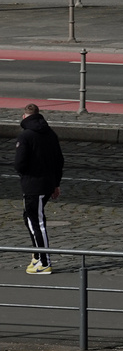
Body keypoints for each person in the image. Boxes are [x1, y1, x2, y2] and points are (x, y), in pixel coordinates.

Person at [14, 103, 64, 275]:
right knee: (29, 217)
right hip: (48, 184)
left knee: (36, 222)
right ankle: (37, 255)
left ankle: (44, 261)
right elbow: (59, 161)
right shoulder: (51, 134)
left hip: (32, 185)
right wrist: (56, 184)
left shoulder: (25, 136)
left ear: (24, 117)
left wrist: (24, 174)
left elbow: (19, 164)